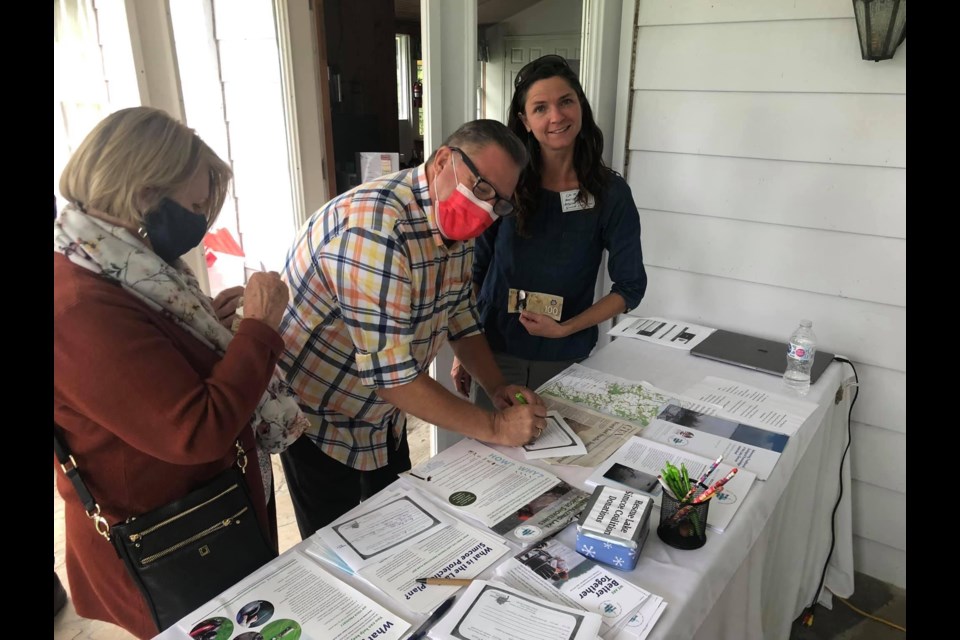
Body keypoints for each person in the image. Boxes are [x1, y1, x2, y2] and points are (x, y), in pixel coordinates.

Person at [53, 107, 308, 639]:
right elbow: (194, 430)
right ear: (144, 195)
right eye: (194, 206)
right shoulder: (78, 302)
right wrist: (259, 329)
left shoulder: (119, 260)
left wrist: (202, 336)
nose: (202, 223)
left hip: (206, 509)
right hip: (171, 533)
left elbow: (145, 360)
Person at [278, 119, 549, 537]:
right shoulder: (375, 231)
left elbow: (460, 318)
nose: (487, 211)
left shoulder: (451, 225)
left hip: (384, 418)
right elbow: (392, 379)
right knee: (338, 548)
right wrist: (496, 427)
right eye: (481, 189)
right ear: (443, 161)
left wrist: (496, 387)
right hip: (322, 421)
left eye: (500, 203)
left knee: (401, 530)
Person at [451, 54, 647, 406]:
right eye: (540, 108)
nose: (556, 116)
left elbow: (631, 287)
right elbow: (478, 269)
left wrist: (567, 329)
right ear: (525, 120)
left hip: (565, 359)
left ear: (581, 109)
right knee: (492, 455)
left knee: (561, 455)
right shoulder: (504, 183)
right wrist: (467, 348)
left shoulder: (609, 194)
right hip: (496, 355)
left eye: (566, 102)